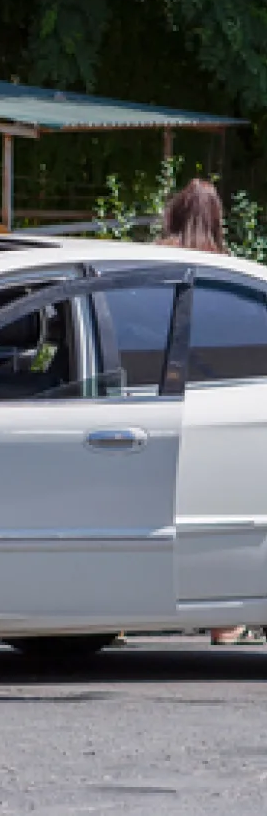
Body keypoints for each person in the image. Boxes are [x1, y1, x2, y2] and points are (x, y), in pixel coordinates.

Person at [157, 178, 264, 646]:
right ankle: (224, 621)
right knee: (215, 514)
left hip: (154, 399)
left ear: (174, 214)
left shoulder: (156, 264)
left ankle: (117, 613)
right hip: (217, 405)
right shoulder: (227, 273)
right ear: (219, 219)